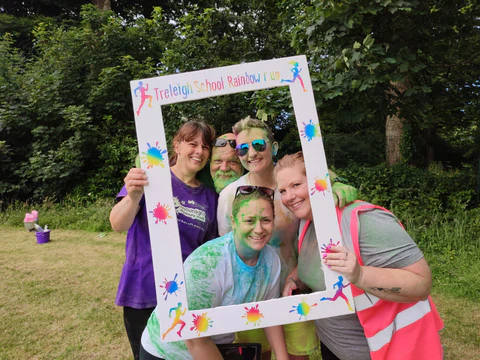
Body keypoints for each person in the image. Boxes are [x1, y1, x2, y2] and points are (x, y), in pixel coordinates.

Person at [275, 151, 444, 360]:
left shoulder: (366, 220)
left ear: (318, 181)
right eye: (282, 190)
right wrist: (295, 278)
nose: (288, 196)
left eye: (296, 185)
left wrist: (360, 275)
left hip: (383, 352)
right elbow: (321, 265)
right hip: (333, 347)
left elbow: (421, 283)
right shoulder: (307, 223)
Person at [217, 116, 357, 360]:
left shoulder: (296, 189)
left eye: (259, 145)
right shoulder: (230, 195)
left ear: (275, 147)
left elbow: (316, 174)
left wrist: (335, 183)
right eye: (243, 148)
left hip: (295, 292)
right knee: (256, 355)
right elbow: (226, 250)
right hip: (252, 296)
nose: (251, 153)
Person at [109, 120, 218, 360]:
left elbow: (208, 254)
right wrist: (134, 196)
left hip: (185, 296)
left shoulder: (211, 198)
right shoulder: (150, 178)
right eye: (192, 144)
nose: (199, 151)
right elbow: (118, 224)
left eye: (206, 146)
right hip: (143, 290)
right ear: (177, 145)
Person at [140, 186, 289, 360]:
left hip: (215, 345)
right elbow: (194, 338)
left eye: (266, 220)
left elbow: (269, 310)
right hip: (168, 351)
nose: (259, 229)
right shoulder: (207, 263)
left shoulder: (271, 260)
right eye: (249, 220)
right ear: (233, 221)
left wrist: (282, 357)